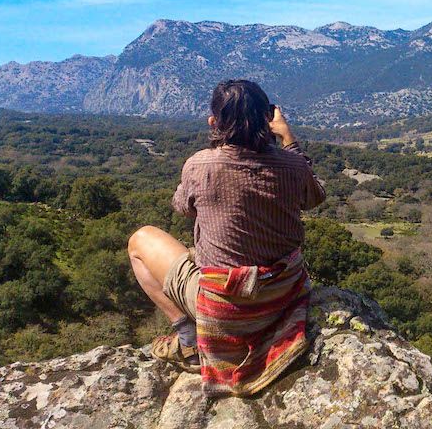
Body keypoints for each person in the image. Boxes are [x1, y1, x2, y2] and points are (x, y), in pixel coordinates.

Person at [127, 79, 326, 396]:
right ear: (268, 119)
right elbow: (315, 197)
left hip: (227, 310)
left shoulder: (200, 164)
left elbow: (182, 206)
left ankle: (188, 339)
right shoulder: (292, 164)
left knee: (140, 241)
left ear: (213, 122)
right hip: (281, 297)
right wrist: (288, 139)